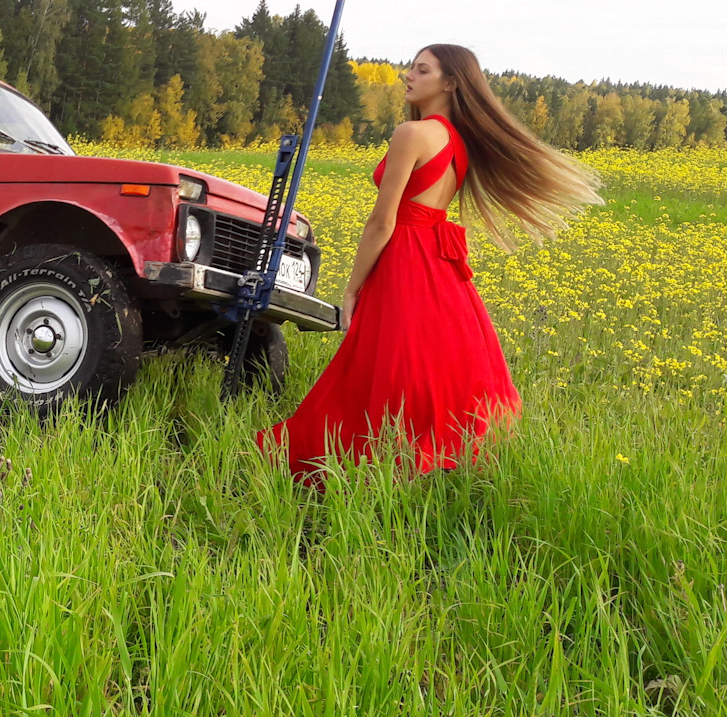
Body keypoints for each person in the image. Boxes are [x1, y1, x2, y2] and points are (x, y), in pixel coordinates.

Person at [257, 43, 600, 480]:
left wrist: (352, 287)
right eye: (410, 68)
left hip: (405, 255)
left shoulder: (412, 135)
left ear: (450, 82)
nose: (408, 76)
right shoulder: (458, 143)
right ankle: (425, 458)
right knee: (427, 360)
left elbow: (382, 222)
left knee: (383, 362)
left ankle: (366, 459)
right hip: (439, 262)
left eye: (421, 70)